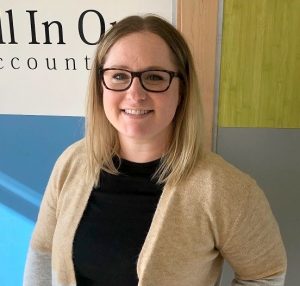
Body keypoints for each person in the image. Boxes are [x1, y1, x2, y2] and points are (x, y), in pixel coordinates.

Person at [23, 15, 287, 286]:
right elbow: (42, 255)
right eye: (118, 76)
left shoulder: (225, 189)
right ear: (100, 85)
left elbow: (265, 274)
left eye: (154, 77)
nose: (135, 93)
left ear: (181, 89)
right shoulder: (72, 164)